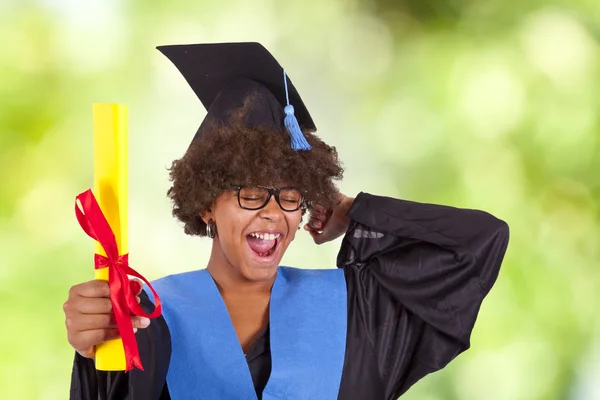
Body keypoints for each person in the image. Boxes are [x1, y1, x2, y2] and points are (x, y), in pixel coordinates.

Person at [64, 42, 510, 400]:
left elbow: (478, 242)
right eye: (251, 192)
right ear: (205, 203)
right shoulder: (149, 316)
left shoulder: (359, 310)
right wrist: (94, 348)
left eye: (291, 195)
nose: (274, 212)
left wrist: (354, 209)